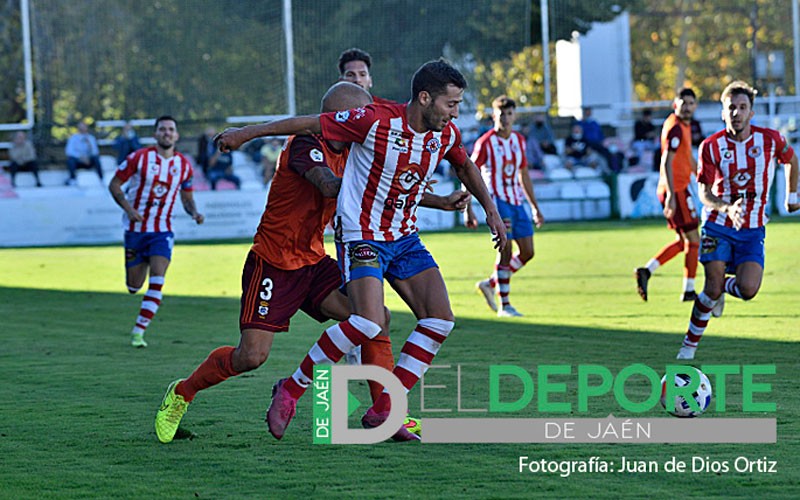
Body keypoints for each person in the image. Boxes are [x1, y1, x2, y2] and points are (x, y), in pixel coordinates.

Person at [153, 82, 470, 444]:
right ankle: (182, 393)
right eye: (357, 115)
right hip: (273, 262)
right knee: (251, 356)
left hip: (314, 261)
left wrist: (439, 201)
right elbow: (329, 185)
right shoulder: (305, 146)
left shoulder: (355, 150)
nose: (364, 121)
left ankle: (386, 411)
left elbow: (385, 185)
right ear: (338, 118)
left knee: (374, 317)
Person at [214, 59, 507, 442]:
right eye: (451, 104)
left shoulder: (443, 134)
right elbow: (306, 123)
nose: (455, 112)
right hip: (362, 236)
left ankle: (387, 407)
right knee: (368, 321)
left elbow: (466, 167)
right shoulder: (375, 122)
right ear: (425, 98)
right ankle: (293, 388)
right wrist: (247, 133)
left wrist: (492, 212)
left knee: (439, 320)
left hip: (404, 238)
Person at [677, 81, 799, 360]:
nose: (737, 113)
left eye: (742, 107)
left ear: (751, 113)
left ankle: (723, 290)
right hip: (717, 225)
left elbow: (792, 160)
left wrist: (792, 195)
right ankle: (688, 349)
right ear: (723, 113)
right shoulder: (711, 146)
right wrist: (726, 208)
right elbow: (704, 192)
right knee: (711, 286)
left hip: (752, 229)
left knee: (748, 290)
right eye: (731, 107)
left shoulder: (770, 140)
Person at [108, 116, 205, 348]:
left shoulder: (183, 165)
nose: (167, 133)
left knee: (158, 279)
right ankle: (138, 313)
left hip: (162, 230)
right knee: (133, 286)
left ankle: (138, 332)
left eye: (171, 129)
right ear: (155, 134)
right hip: (135, 230)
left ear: (177, 135)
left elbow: (187, 197)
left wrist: (194, 213)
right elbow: (114, 184)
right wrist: (129, 210)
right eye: (162, 129)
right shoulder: (139, 158)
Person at [472, 96, 544, 317]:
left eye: (509, 113)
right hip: (497, 202)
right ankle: (505, 305)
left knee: (528, 252)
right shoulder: (485, 142)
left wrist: (534, 207)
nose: (505, 118)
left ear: (515, 115)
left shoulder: (519, 141)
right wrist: (468, 207)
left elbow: (523, 174)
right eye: (501, 114)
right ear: (494, 115)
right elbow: (470, 171)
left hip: (516, 201)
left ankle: (490, 284)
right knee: (506, 250)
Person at [634, 88, 701, 303]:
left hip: (679, 188)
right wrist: (672, 195)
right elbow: (666, 161)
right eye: (684, 102)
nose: (687, 106)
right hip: (676, 189)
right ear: (675, 104)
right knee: (694, 239)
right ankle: (689, 290)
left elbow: (687, 157)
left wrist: (703, 177)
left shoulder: (684, 126)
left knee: (683, 241)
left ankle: (647, 270)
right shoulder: (675, 129)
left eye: (691, 103)